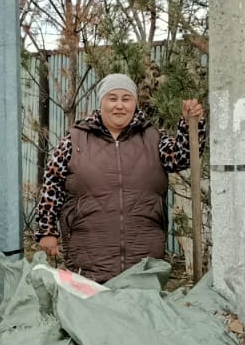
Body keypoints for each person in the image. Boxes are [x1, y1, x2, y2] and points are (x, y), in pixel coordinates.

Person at [31, 73, 206, 283]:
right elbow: (52, 185)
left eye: (126, 99)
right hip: (88, 255)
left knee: (140, 312)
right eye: (112, 99)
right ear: (101, 102)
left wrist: (189, 125)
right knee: (93, 313)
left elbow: (182, 158)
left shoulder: (152, 138)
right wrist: (46, 231)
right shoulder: (75, 139)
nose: (119, 106)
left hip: (143, 256)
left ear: (135, 103)